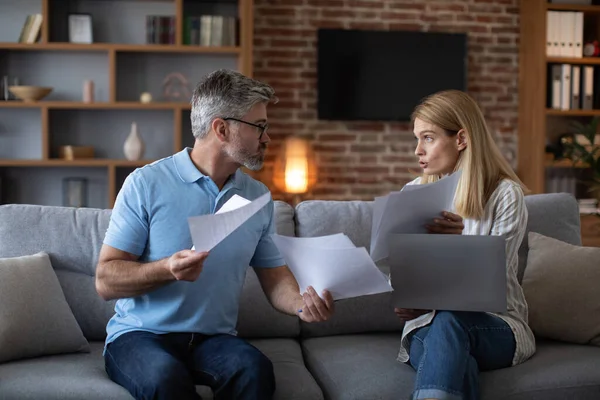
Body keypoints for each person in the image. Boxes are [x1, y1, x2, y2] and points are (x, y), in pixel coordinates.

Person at [95, 69, 334, 400]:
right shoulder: (145, 184)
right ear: (222, 129)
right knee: (165, 378)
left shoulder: (258, 197)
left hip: (212, 339)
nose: (267, 138)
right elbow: (106, 280)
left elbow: (275, 278)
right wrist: (166, 269)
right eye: (260, 127)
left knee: (254, 370)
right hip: (140, 335)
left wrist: (301, 306)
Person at [394, 90, 535, 400]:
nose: (418, 150)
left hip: (498, 325)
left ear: (461, 139)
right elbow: (404, 275)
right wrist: (408, 297)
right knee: (456, 355)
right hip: (425, 327)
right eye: (417, 139)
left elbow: (491, 284)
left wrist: (457, 246)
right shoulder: (413, 192)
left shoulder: (504, 194)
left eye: (428, 138)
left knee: (450, 320)